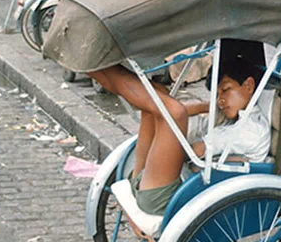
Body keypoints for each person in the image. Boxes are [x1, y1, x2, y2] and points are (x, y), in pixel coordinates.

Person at [88, 56, 270, 216]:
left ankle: (93, 65)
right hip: (155, 180)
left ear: (248, 85)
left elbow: (195, 149)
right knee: (159, 94)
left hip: (165, 197)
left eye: (225, 90)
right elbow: (196, 122)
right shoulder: (232, 120)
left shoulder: (250, 130)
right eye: (217, 94)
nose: (220, 99)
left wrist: (169, 140)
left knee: (172, 112)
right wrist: (208, 105)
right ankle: (93, 65)